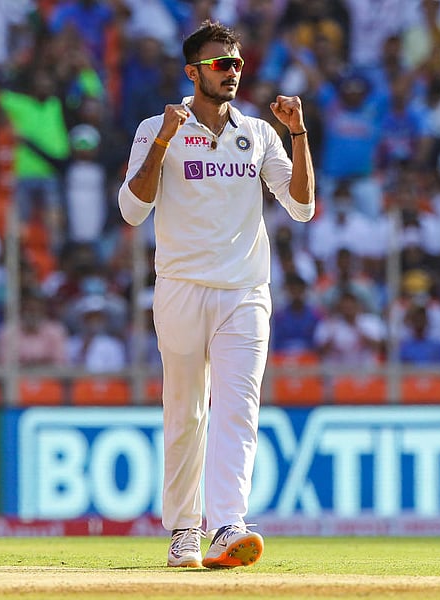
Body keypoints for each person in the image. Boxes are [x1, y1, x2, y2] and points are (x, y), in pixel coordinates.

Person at [117, 21, 315, 569]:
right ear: (193, 71)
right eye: (219, 64)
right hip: (181, 286)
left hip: (245, 290)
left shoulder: (259, 132)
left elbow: (301, 206)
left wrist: (298, 134)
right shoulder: (158, 126)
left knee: (238, 410)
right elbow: (132, 209)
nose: (232, 72)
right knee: (185, 412)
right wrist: (163, 139)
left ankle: (228, 523)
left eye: (236, 64)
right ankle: (184, 530)